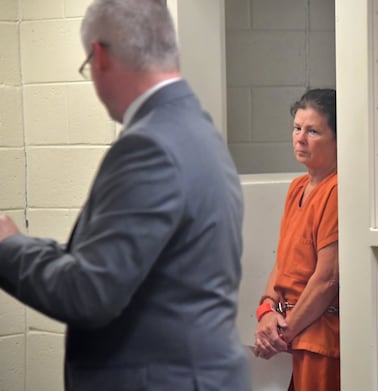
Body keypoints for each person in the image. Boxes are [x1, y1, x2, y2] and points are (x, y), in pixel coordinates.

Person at [0, 1, 250, 390]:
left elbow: (89, 293)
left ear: (99, 56)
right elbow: (116, 267)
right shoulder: (196, 131)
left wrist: (8, 246)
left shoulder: (149, 146)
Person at [253, 89, 339, 391]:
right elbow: (284, 259)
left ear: (338, 140)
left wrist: (281, 335)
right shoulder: (298, 186)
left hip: (322, 335)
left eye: (313, 131)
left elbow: (328, 279)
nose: (300, 138)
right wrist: (266, 311)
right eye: (297, 128)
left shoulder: (337, 188)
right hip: (296, 329)